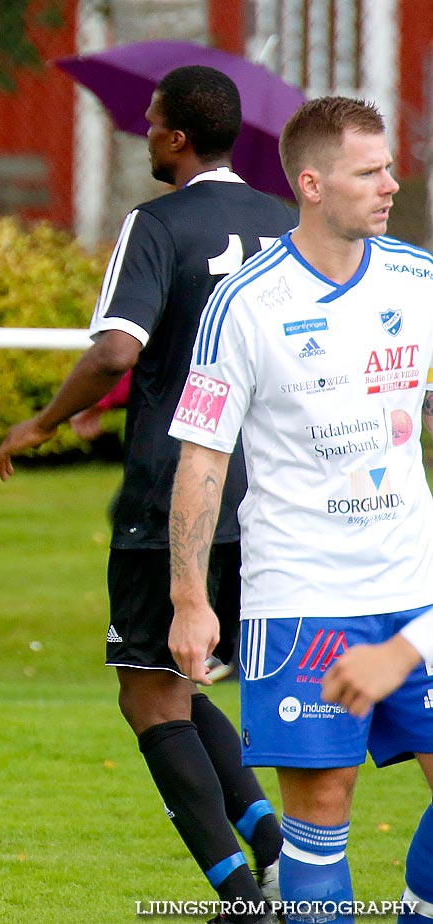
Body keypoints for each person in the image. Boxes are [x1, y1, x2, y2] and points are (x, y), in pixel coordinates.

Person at [0, 66, 293, 923]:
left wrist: (46, 422)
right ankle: (273, 852)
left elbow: (117, 348)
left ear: (174, 138)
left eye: (150, 125)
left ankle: (242, 894)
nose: (143, 138)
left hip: (175, 494)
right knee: (190, 684)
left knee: (149, 690)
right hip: (266, 496)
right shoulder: (285, 227)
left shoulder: (154, 224)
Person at [170, 95, 433, 924]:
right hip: (302, 599)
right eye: (371, 171)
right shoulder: (247, 302)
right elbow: (204, 456)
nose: (392, 183)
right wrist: (188, 597)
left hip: (415, 588)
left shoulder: (419, 281)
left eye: (390, 166)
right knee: (320, 820)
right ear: (312, 184)